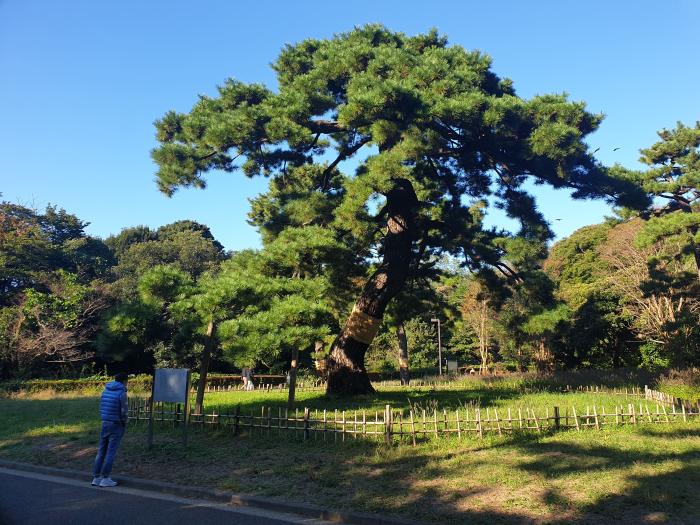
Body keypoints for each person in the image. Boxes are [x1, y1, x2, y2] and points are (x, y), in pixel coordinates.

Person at [91, 372, 128, 487]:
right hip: (116, 424)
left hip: (105, 422)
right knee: (111, 452)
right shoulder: (122, 393)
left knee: (101, 450)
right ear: (124, 381)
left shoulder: (105, 390)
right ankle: (105, 478)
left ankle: (96, 477)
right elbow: (124, 411)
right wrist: (125, 422)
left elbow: (101, 406)